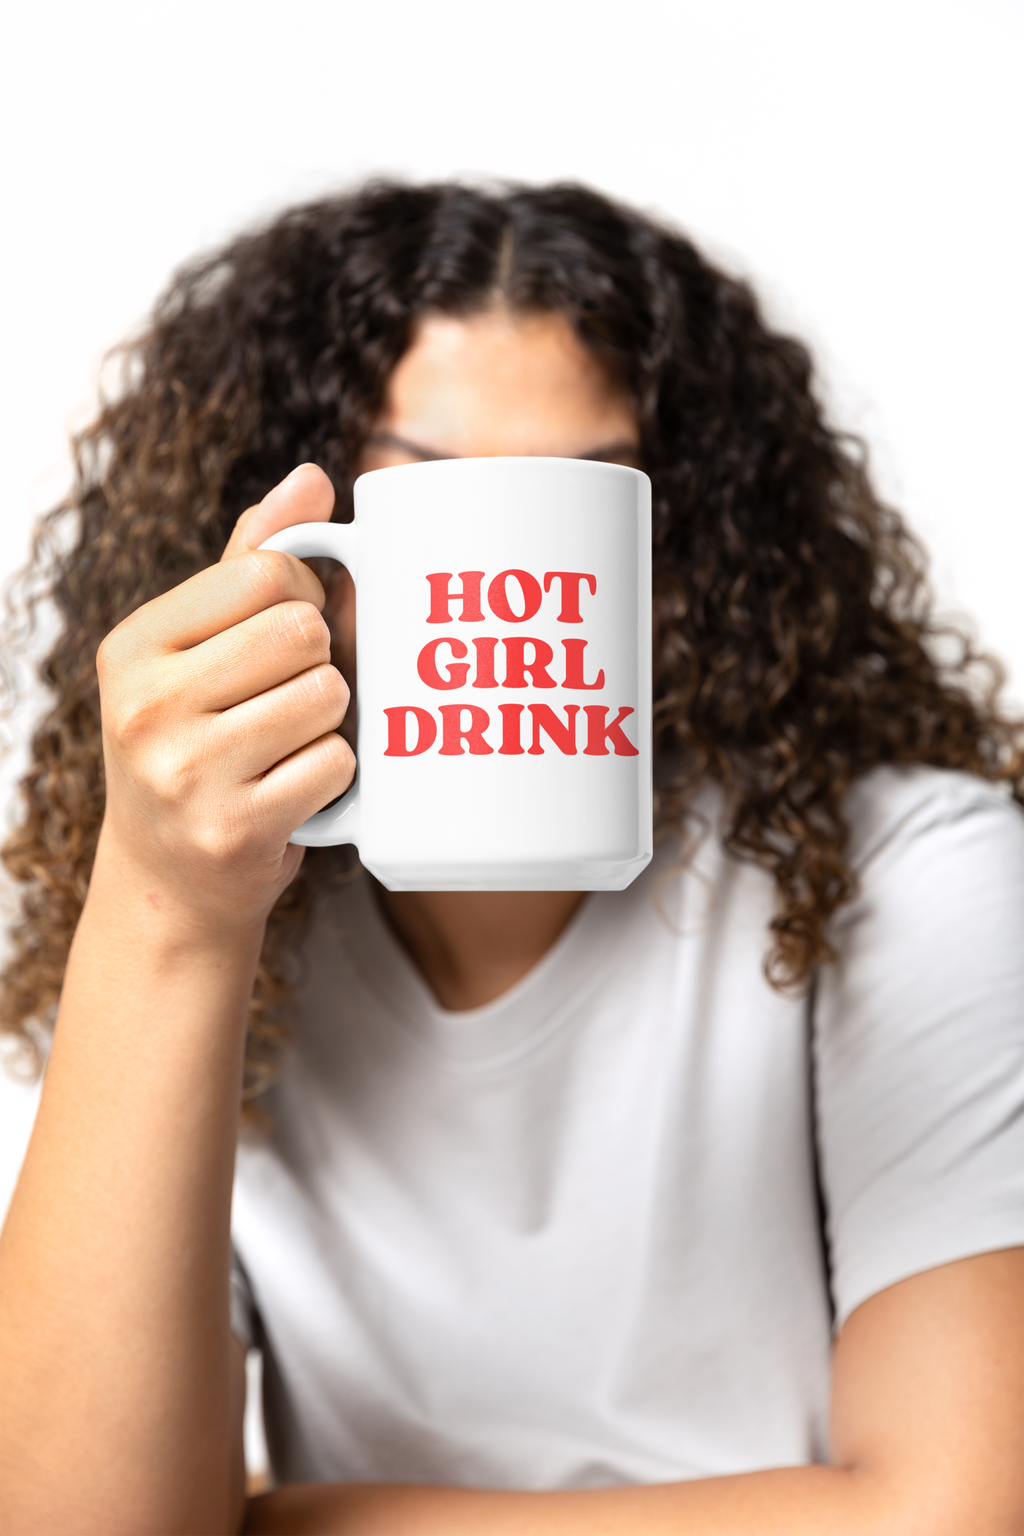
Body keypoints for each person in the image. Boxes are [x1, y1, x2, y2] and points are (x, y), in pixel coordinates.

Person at [0, 180, 1022, 1536]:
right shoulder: (170, 897)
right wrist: (168, 911)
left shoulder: (909, 873)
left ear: (691, 559)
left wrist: (286, 1523)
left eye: (583, 501)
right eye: (423, 497)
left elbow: (961, 1512)